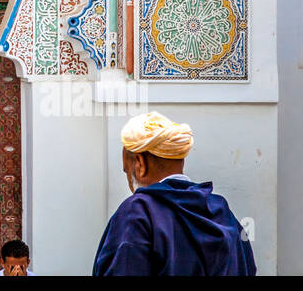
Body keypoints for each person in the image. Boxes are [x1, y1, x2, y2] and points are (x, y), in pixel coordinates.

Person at [93, 111, 255, 276]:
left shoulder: (137, 213)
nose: (129, 180)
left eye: (126, 171)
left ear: (140, 164)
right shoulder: (223, 212)